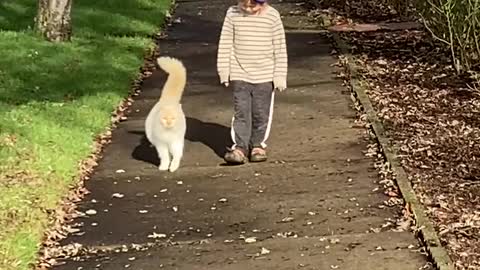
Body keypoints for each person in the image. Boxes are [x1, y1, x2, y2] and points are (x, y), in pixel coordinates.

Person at [217, 0, 288, 164]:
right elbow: (225, 43)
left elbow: (280, 48)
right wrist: (224, 71)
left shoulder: (272, 16)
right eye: (244, 5)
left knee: (260, 113)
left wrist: (279, 76)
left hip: (265, 75)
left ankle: (257, 145)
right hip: (239, 72)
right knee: (241, 112)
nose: (247, 9)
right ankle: (240, 147)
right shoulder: (232, 14)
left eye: (252, 6)